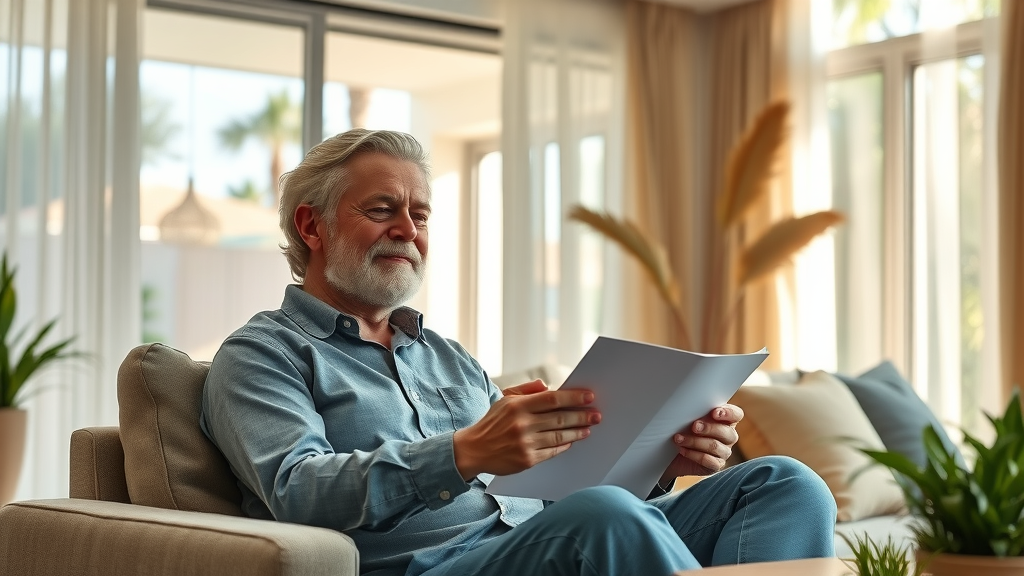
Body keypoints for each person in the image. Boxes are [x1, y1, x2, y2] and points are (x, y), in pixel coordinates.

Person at [201, 128, 837, 576]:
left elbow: (555, 493)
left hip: (540, 539)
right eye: (382, 209)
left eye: (420, 215)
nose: (408, 231)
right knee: (604, 517)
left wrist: (664, 458)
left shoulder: (446, 356)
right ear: (312, 226)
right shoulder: (263, 355)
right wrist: (464, 452)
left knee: (785, 484)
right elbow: (295, 489)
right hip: (428, 570)